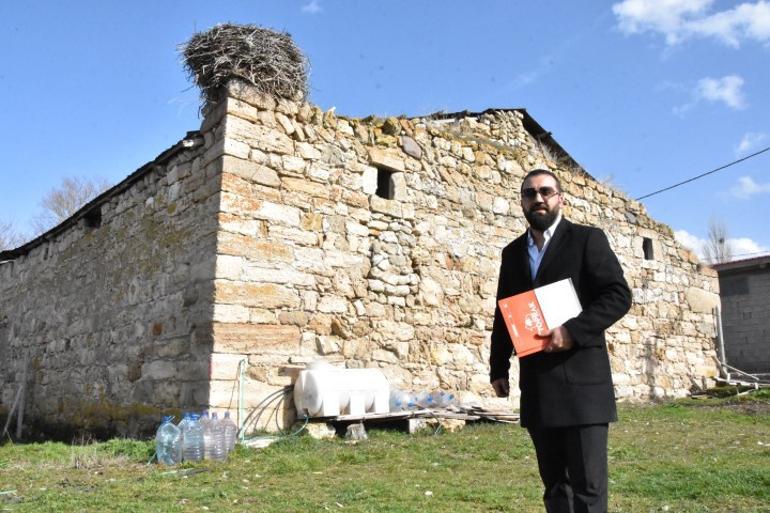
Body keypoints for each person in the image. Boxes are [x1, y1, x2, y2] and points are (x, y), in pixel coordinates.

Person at [489, 168, 632, 513]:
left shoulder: (587, 240)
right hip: (538, 386)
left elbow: (618, 295)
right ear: (521, 203)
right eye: (530, 193)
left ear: (560, 199)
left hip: (583, 386)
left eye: (546, 191)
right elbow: (504, 312)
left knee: (588, 489)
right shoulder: (512, 253)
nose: (538, 198)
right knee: (555, 488)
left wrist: (572, 331)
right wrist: (498, 367)